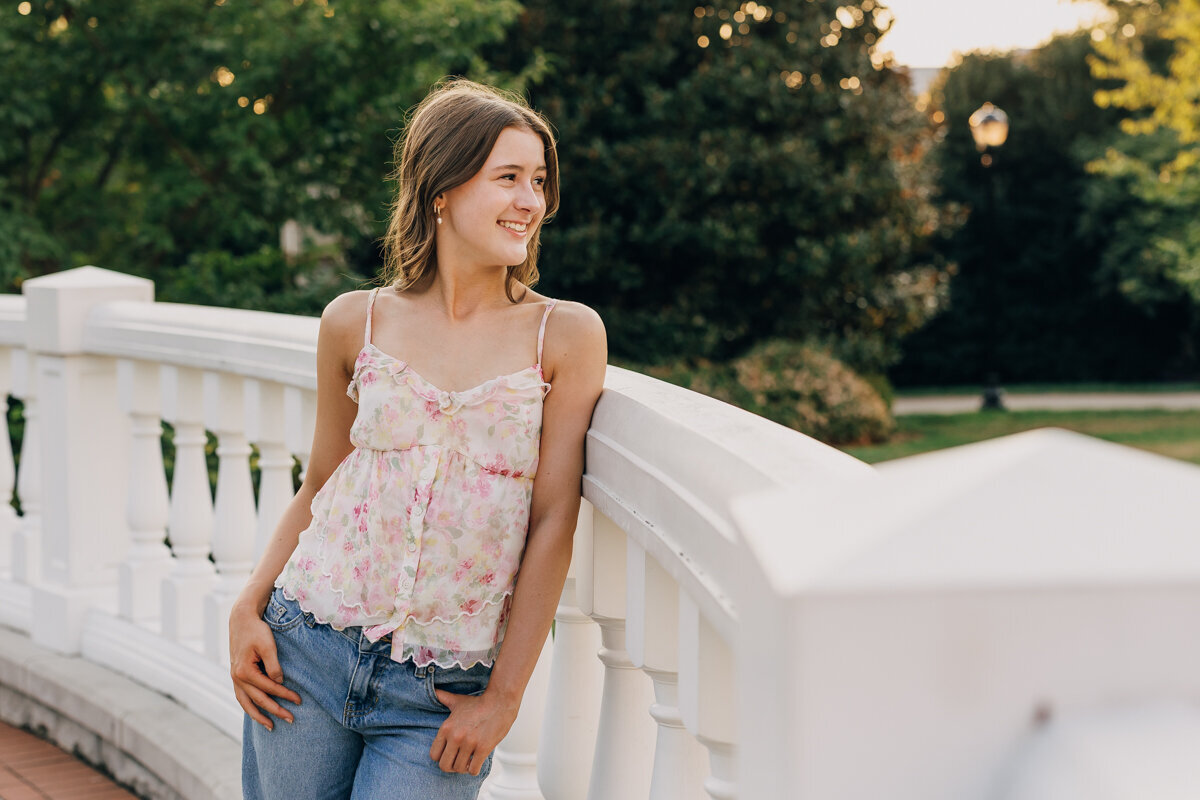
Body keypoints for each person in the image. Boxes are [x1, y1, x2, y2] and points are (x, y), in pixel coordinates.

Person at [230, 78, 607, 800]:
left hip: (439, 695)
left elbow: (555, 517)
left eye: (538, 181)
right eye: (509, 178)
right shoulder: (354, 322)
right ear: (442, 190)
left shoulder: (565, 335)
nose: (533, 201)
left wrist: (504, 698)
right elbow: (318, 483)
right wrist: (249, 605)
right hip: (304, 650)